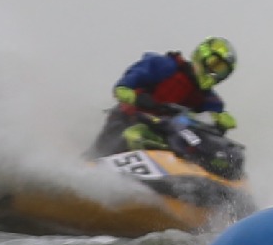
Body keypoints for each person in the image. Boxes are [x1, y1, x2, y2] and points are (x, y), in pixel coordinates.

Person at [90, 36, 237, 157]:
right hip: (129, 120)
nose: (215, 73)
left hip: (168, 135)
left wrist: (221, 121)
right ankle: (91, 165)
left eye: (221, 70)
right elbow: (123, 87)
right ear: (203, 54)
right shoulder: (165, 66)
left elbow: (213, 116)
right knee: (135, 136)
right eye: (214, 64)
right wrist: (134, 97)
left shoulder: (208, 98)